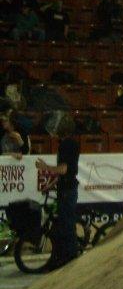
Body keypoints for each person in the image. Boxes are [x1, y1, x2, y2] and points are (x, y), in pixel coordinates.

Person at [35, 114, 80, 269]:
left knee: (67, 225)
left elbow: (64, 169)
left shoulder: (67, 145)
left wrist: (45, 168)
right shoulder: (68, 143)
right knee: (64, 224)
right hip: (66, 188)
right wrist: (51, 184)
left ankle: (70, 258)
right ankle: (65, 256)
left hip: (67, 190)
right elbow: (65, 172)